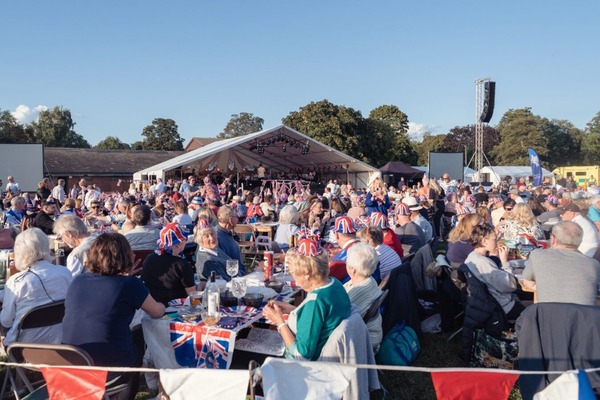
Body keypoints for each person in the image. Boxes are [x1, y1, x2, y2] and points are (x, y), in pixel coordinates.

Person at [62, 233, 164, 400]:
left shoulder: (78, 281)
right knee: (138, 332)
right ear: (125, 256)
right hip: (109, 364)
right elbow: (157, 311)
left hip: (73, 361)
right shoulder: (129, 284)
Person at [262, 238, 351, 361]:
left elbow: (301, 355)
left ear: (307, 273)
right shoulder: (334, 284)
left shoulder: (315, 301)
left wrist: (279, 322)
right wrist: (293, 309)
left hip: (306, 367)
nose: (294, 278)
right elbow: (322, 317)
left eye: (293, 272)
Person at [0, 228, 73, 346]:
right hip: (60, 342)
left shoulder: (17, 282)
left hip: (22, 348)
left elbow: (6, 321)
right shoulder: (65, 273)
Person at [522, 221, 600, 305]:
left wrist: (548, 288)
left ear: (553, 239)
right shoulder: (593, 264)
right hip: (583, 316)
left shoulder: (538, 255)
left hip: (548, 314)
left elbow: (527, 282)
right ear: (580, 241)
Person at [464, 225, 524, 320]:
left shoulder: (471, 257)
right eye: (495, 239)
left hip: (487, 304)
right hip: (501, 308)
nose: (497, 242)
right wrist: (505, 262)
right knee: (536, 307)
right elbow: (510, 286)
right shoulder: (483, 262)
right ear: (484, 241)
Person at [142, 223, 196, 306]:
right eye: (185, 239)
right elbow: (193, 296)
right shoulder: (182, 265)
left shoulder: (150, 258)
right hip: (175, 308)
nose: (186, 241)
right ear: (178, 244)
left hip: (153, 306)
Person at [344, 243, 383, 351]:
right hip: (371, 334)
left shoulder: (358, 291)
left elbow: (338, 319)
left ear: (353, 270)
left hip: (364, 342)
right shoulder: (369, 280)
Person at [330, 216, 361, 283]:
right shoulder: (367, 247)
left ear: (337, 235)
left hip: (351, 291)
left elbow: (325, 284)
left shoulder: (339, 261)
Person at [216, 205, 245, 273]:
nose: (238, 219)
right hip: (231, 275)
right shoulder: (216, 237)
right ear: (229, 220)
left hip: (238, 273)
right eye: (236, 217)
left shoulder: (227, 233)